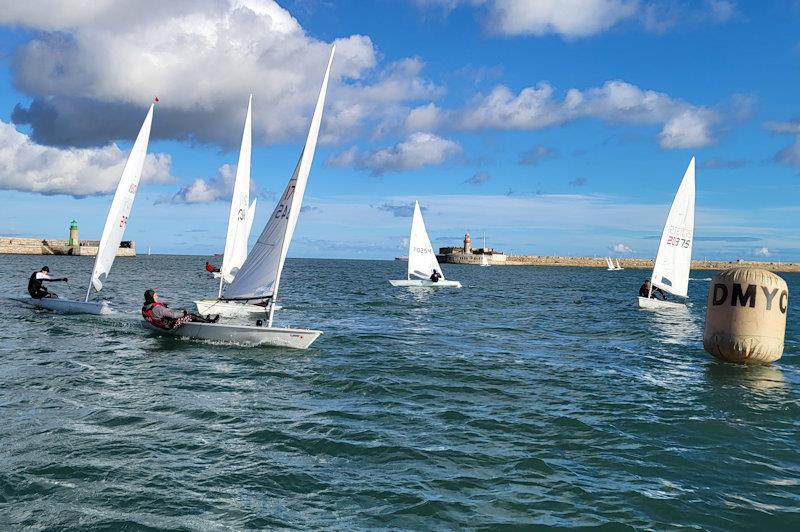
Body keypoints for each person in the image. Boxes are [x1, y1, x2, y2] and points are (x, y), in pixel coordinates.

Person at [141, 289, 219, 330]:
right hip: (170, 326)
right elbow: (174, 315)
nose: (157, 297)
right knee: (191, 316)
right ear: (151, 297)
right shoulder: (158, 308)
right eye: (155, 296)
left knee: (186, 315)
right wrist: (184, 313)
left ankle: (204, 319)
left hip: (162, 326)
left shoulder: (144, 308)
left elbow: (154, 316)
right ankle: (210, 322)